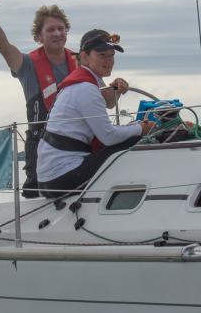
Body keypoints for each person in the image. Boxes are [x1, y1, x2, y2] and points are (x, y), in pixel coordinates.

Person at [0, 0, 122, 196]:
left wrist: (117, 90)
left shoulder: (83, 62)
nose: (57, 33)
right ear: (39, 36)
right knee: (36, 197)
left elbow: (108, 103)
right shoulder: (27, 65)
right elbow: (4, 46)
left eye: (61, 28)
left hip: (80, 146)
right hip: (41, 146)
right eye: (50, 30)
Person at [36, 29, 156, 197]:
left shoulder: (86, 81)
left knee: (130, 136)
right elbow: (108, 137)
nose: (109, 61)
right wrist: (141, 128)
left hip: (49, 177)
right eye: (102, 55)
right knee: (136, 141)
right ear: (84, 57)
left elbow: (108, 103)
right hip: (61, 177)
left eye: (111, 55)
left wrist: (116, 90)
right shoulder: (85, 88)